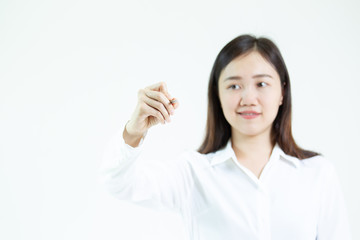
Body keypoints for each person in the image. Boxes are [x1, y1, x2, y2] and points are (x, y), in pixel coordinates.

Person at [98, 34, 352, 240]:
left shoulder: (317, 174)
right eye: (234, 86)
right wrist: (134, 130)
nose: (248, 99)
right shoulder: (193, 173)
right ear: (217, 96)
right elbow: (119, 183)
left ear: (282, 93)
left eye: (261, 84)